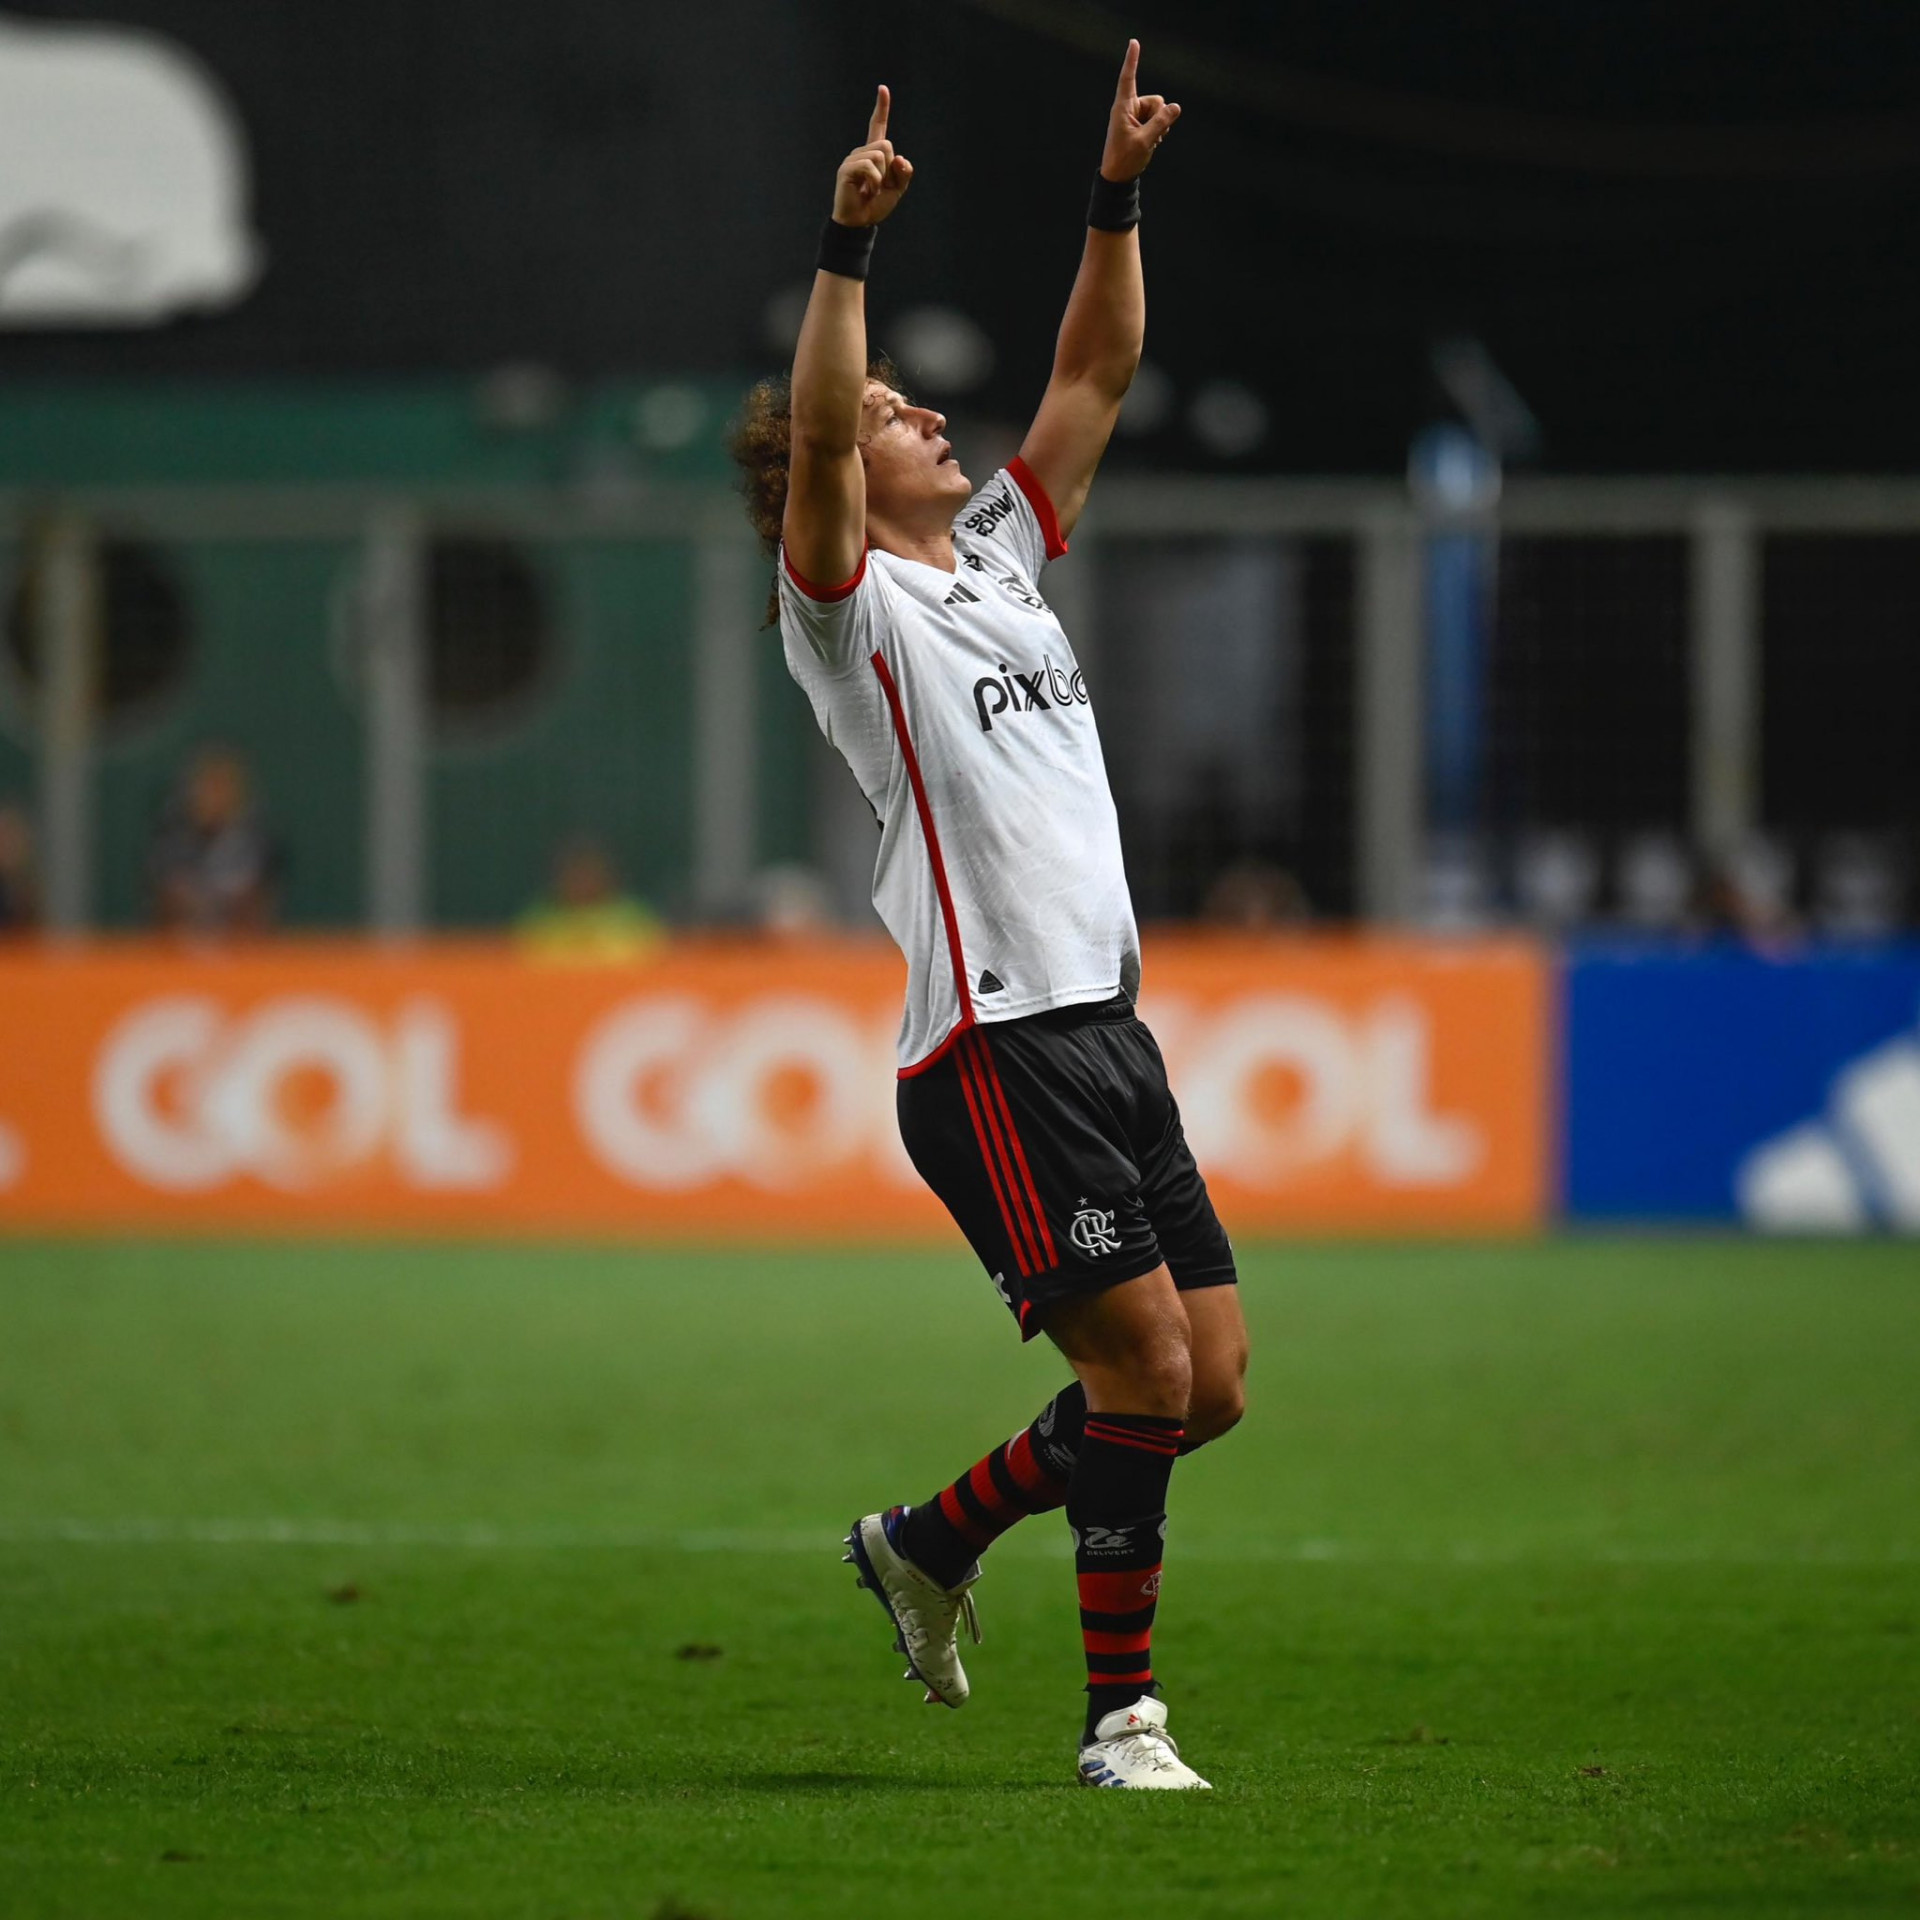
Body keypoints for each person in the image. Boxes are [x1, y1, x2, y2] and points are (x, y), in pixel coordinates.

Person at [730, 44, 1247, 1790]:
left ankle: (930, 1540)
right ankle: (1122, 1725)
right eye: (898, 416)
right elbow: (818, 428)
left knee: (1207, 1383)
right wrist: (847, 246)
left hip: (1107, 1029)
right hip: (994, 1045)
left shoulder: (1006, 565)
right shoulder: (845, 608)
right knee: (1146, 1369)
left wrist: (1115, 197)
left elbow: (1095, 368)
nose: (928, 422)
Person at [148, 744, 278, 936]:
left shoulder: (257, 839)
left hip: (243, 947)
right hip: (176, 946)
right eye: (208, 786)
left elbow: (256, 906)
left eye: (223, 786)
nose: (215, 796)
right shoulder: (170, 835)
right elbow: (165, 902)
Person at [515, 836, 664, 961]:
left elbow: (654, 958)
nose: (582, 878)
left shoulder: (634, 916)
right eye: (574, 870)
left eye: (589, 870)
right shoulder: (538, 919)